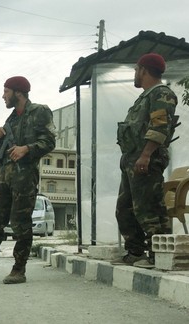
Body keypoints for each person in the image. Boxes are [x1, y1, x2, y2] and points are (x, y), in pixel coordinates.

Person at [0, 76, 56, 284]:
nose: (3, 96)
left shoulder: (40, 111)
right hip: (4, 176)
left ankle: (18, 269)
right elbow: (4, 152)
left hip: (25, 176)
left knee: (21, 223)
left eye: (6, 91)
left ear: (18, 93)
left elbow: (49, 141)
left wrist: (27, 149)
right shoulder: (11, 119)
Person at [111, 53, 178, 269]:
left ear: (143, 70)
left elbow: (159, 126)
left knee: (148, 209)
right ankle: (135, 251)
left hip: (145, 161)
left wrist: (147, 155)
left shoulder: (161, 94)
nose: (135, 74)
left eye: (136, 70)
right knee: (125, 208)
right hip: (132, 160)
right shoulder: (145, 97)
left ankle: (158, 255)